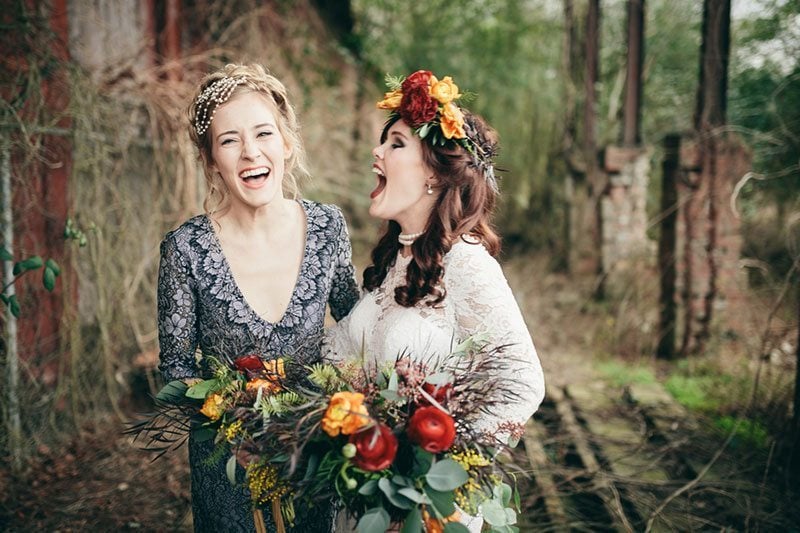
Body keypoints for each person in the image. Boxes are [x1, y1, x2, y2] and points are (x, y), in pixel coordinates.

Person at [324, 70, 545, 532]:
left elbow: (522, 383)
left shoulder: (467, 266)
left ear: (433, 175)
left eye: (396, 143)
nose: (377, 152)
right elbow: (339, 358)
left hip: (426, 515)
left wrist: (441, 473)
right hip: (364, 502)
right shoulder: (395, 260)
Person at [157, 63, 359, 532]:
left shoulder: (328, 227)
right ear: (210, 159)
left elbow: (355, 332)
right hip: (227, 466)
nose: (250, 152)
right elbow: (177, 371)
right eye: (229, 140)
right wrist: (231, 415)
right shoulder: (184, 248)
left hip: (314, 454)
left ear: (287, 143)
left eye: (263, 133)